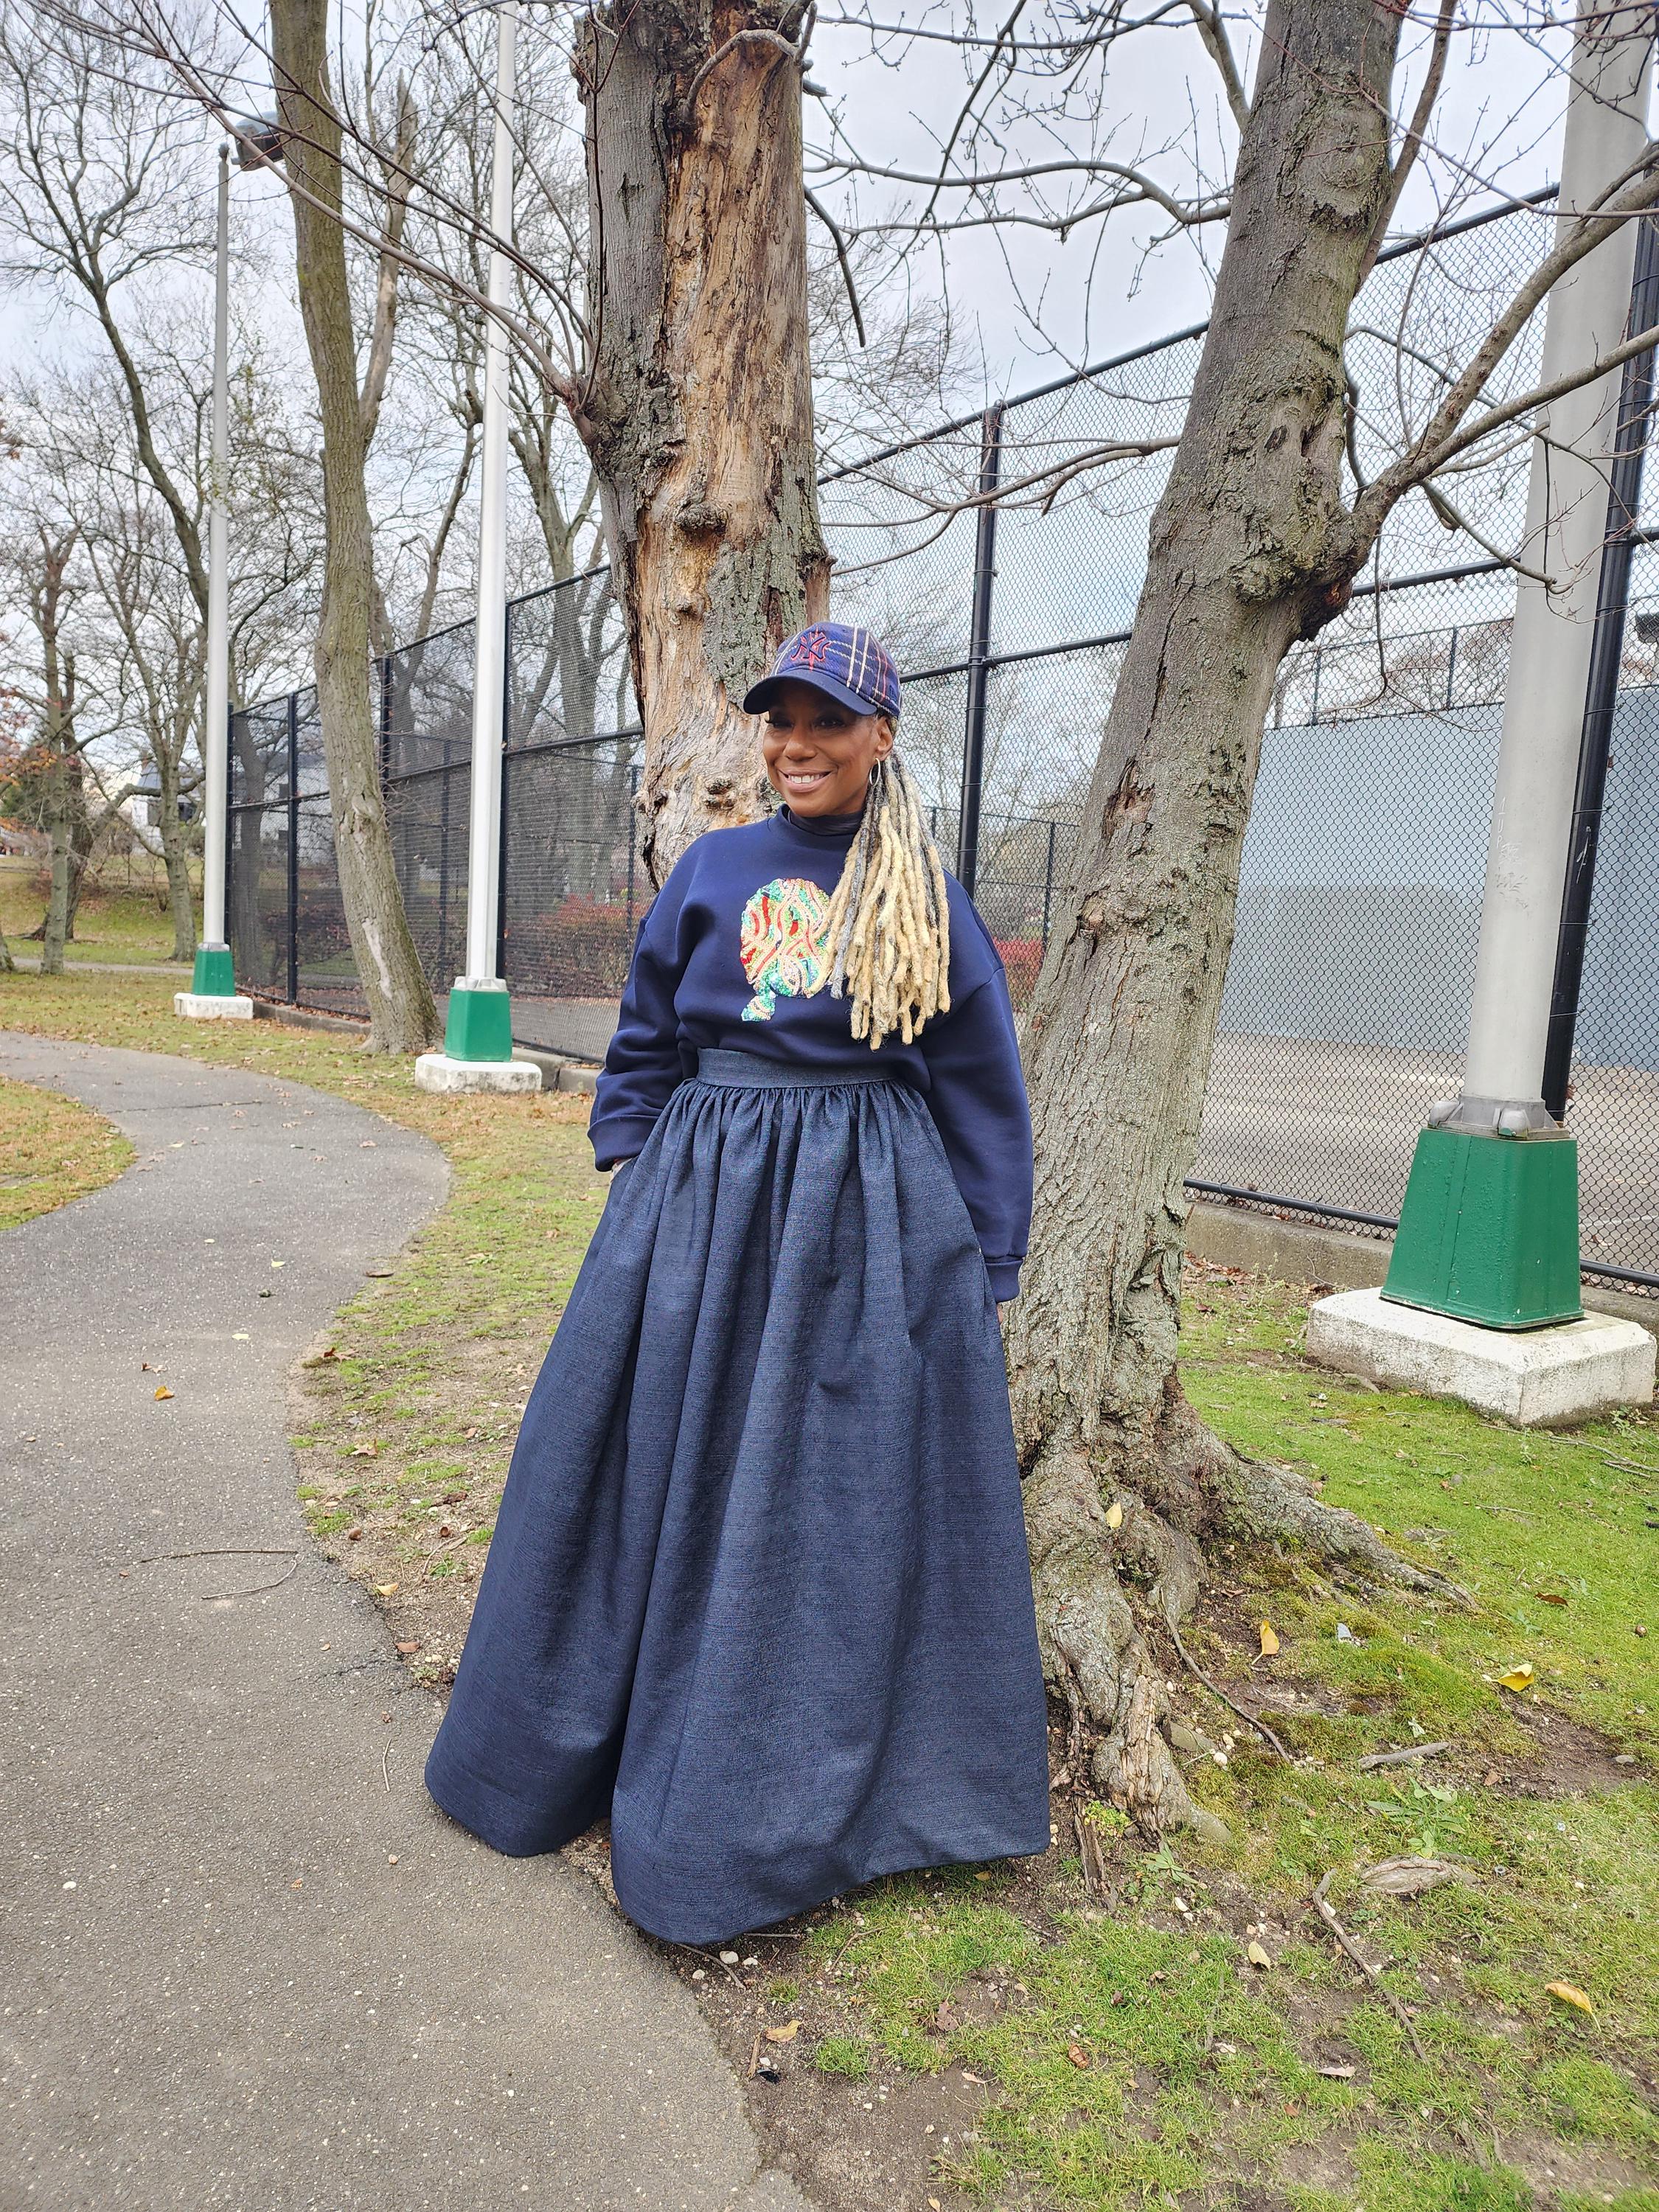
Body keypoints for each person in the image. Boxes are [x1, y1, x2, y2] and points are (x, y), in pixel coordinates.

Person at [425, 620, 1051, 1946]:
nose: (797, 746)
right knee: (639, 1458)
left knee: (818, 1485)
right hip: (698, 1201)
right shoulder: (711, 871)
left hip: (858, 1220)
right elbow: (647, 1035)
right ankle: (559, 1743)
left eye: (826, 723)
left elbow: (982, 1092)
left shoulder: (924, 898)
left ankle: (783, 1782)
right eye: (779, 722)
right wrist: (637, 1169)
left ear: (882, 739)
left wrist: (984, 1254)